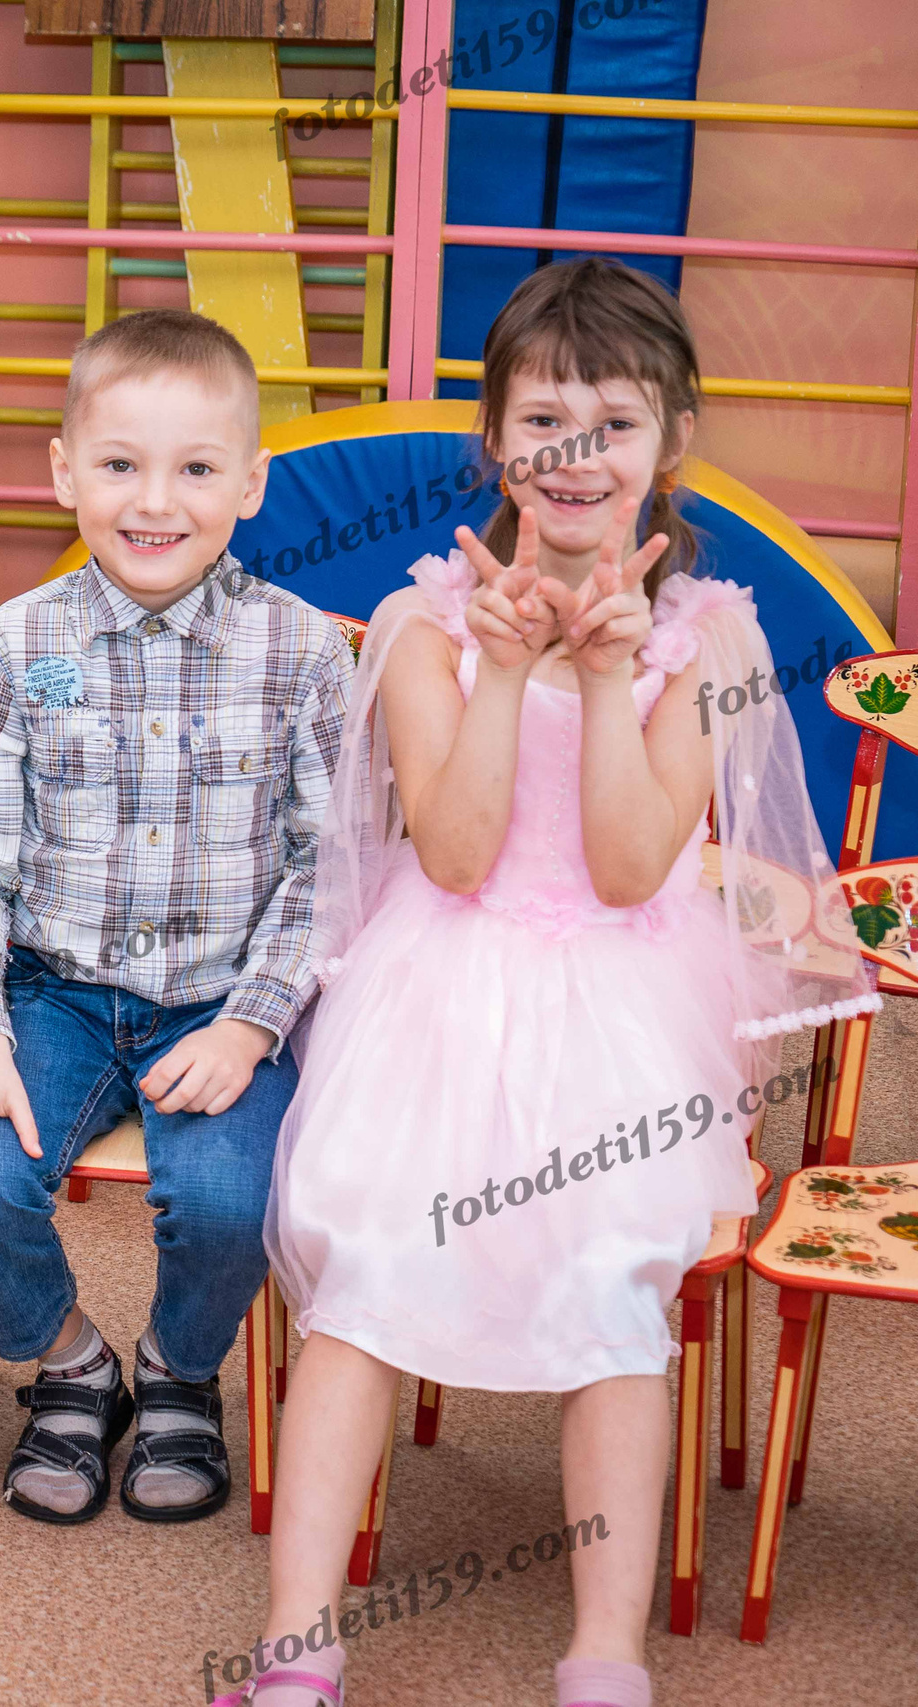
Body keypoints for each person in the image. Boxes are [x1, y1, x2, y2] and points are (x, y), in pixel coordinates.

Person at [233, 258, 876, 1707]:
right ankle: (295, 1644)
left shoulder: (713, 639)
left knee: (610, 1278)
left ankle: (605, 1649)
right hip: (439, 988)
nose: (576, 458)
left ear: (671, 441)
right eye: (543, 422)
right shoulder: (419, 626)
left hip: (623, 1002)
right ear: (495, 441)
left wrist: (608, 679)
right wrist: (511, 668)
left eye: (614, 424)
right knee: (370, 1256)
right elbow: (455, 856)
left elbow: (638, 861)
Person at [0, 309, 353, 1529]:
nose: (156, 501)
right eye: (119, 464)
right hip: (46, 996)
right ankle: (70, 1363)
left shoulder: (304, 656)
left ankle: (176, 1371)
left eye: (197, 468)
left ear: (251, 484)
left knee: (228, 1204)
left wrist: (257, 1024)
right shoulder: (9, 651)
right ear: (64, 473)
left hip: (219, 1005)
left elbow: (331, 868)